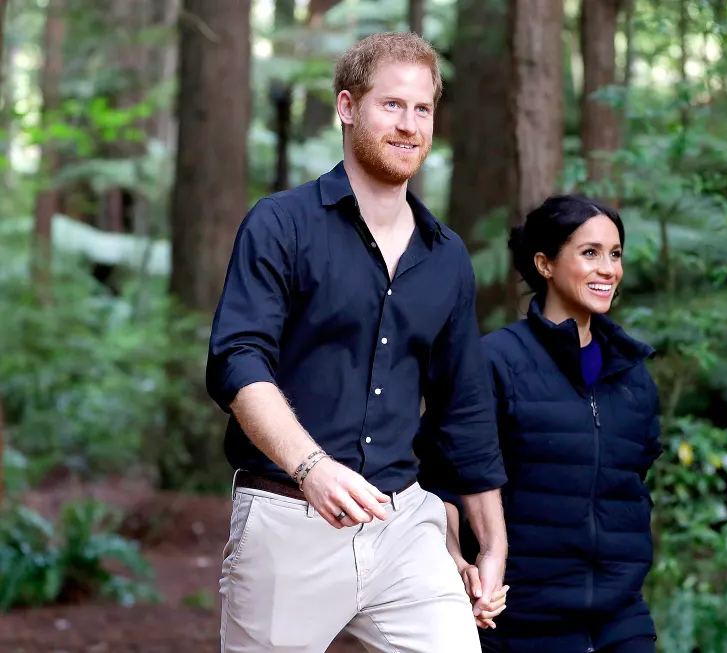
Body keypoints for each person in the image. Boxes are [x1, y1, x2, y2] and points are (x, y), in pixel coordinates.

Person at [205, 32, 507, 653]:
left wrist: (493, 543)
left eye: (422, 109)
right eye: (390, 105)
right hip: (289, 518)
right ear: (347, 108)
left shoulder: (446, 256)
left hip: (405, 528)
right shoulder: (281, 223)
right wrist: (311, 467)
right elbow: (238, 360)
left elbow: (464, 408)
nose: (409, 125)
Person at [420, 195, 664, 653]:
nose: (608, 269)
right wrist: (457, 560)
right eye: (590, 253)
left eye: (615, 254)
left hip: (621, 620)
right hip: (517, 622)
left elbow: (631, 487)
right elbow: (443, 484)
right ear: (545, 264)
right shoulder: (492, 364)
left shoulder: (633, 376)